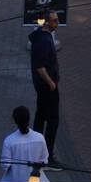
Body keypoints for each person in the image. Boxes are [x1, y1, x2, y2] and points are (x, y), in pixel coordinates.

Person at [29, 10, 61, 158]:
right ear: (47, 22)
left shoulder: (42, 37)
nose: (57, 22)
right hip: (47, 87)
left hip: (43, 87)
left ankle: (37, 150)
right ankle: (47, 154)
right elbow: (40, 67)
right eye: (54, 20)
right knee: (53, 120)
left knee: (41, 116)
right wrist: (51, 83)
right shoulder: (44, 41)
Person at [0, 105, 50, 182]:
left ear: (15, 121)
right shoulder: (40, 138)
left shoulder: (9, 141)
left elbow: (5, 166)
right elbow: (45, 161)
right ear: (28, 119)